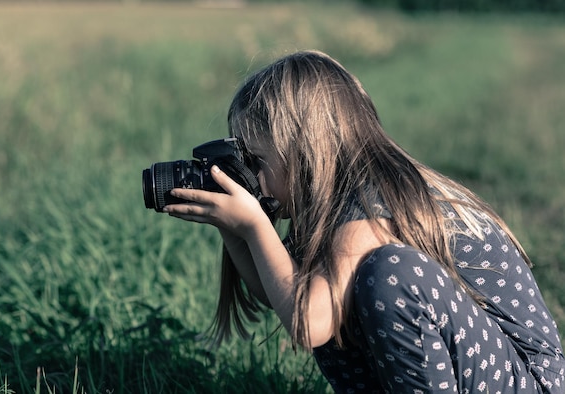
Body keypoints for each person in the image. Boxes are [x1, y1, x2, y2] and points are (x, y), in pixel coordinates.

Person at [162, 50, 564, 393]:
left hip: (527, 382)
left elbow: (308, 323)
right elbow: (284, 293)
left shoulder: (369, 201)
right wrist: (235, 234)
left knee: (390, 273)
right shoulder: (326, 211)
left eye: (255, 161)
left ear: (303, 150)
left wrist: (254, 226)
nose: (248, 174)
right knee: (327, 288)